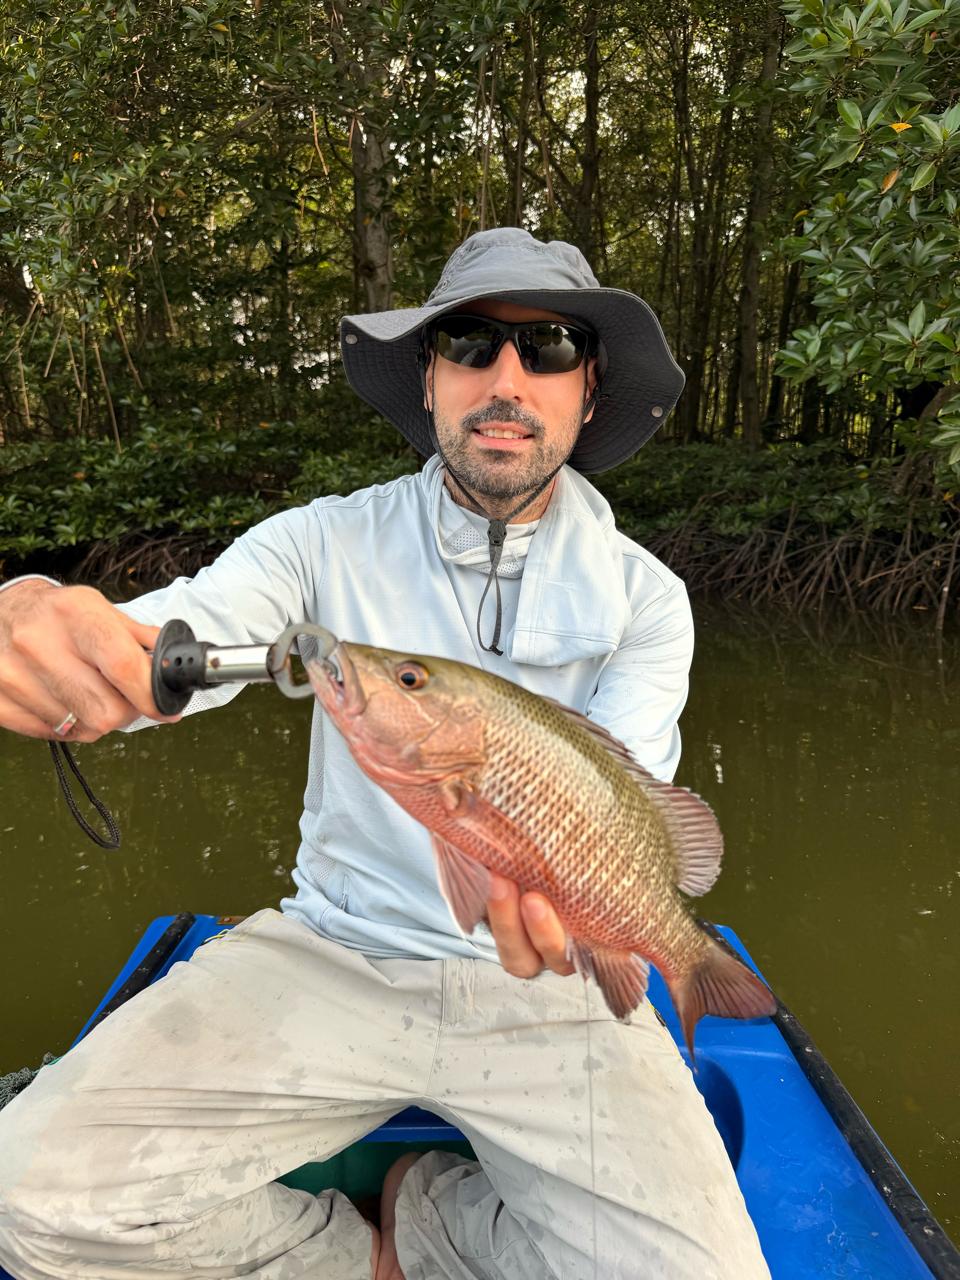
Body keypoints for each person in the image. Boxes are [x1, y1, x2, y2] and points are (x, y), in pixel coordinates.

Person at [0, 228, 770, 1280]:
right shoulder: (317, 542)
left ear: (589, 391)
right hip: (336, 951)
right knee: (24, 1198)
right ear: (430, 377)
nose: (507, 380)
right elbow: (165, 638)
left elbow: (618, 808)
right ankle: (355, 1254)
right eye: (469, 343)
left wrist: (610, 925)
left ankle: (440, 1216)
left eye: (548, 348)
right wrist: (39, 615)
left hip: (557, 984)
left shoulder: (648, 599)